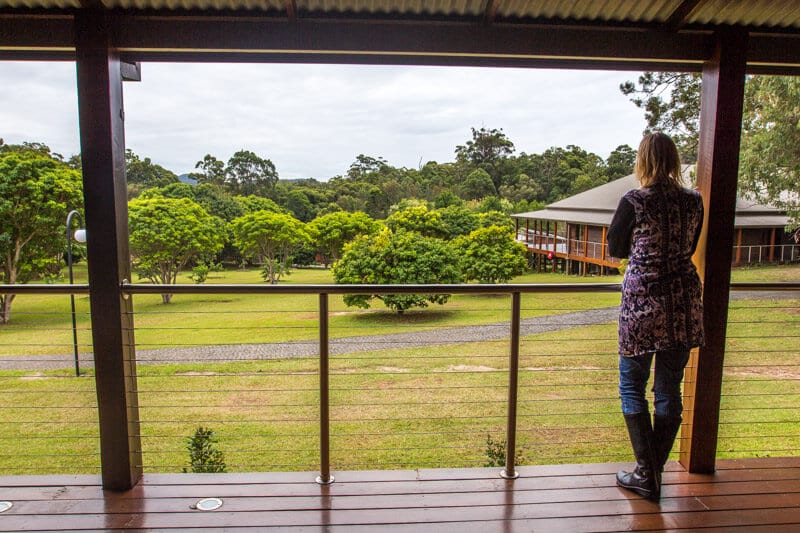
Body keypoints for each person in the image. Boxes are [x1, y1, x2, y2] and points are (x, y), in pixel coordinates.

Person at [607, 132, 704, 502]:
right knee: (669, 388)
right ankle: (653, 474)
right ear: (676, 161)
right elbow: (690, 245)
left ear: (643, 161)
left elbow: (616, 247)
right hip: (682, 301)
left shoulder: (635, 199)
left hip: (643, 302)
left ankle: (646, 474)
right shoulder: (693, 201)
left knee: (632, 386)